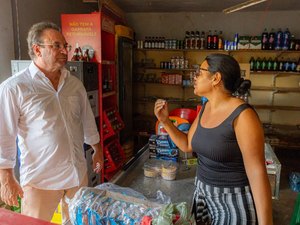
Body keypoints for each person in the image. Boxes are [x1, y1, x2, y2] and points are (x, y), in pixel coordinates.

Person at [0, 21, 103, 223]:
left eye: (65, 46)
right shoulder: (15, 88)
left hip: (76, 174)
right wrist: (6, 177)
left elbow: (87, 120)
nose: (64, 50)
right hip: (41, 180)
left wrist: (97, 148)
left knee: (78, 221)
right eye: (56, 45)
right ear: (37, 49)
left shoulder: (74, 84)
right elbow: (4, 135)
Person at [154, 53, 273, 225]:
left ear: (216, 78)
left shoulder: (243, 116)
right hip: (203, 195)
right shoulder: (206, 107)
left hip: (233, 201)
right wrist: (165, 121)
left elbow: (257, 173)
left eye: (200, 72)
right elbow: (187, 145)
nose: (195, 77)